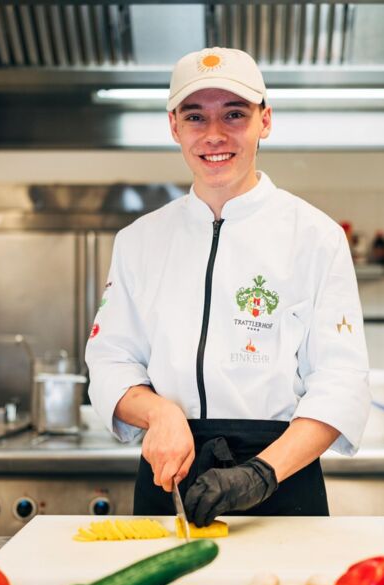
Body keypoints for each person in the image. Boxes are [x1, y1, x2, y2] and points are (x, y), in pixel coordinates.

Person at [85, 47, 369, 527]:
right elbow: (110, 360)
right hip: (169, 476)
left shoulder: (316, 237)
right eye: (196, 116)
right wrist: (158, 413)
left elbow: (340, 382)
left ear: (265, 121)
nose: (214, 134)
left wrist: (260, 474)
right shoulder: (138, 242)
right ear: (174, 126)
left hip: (281, 480)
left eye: (234, 114)